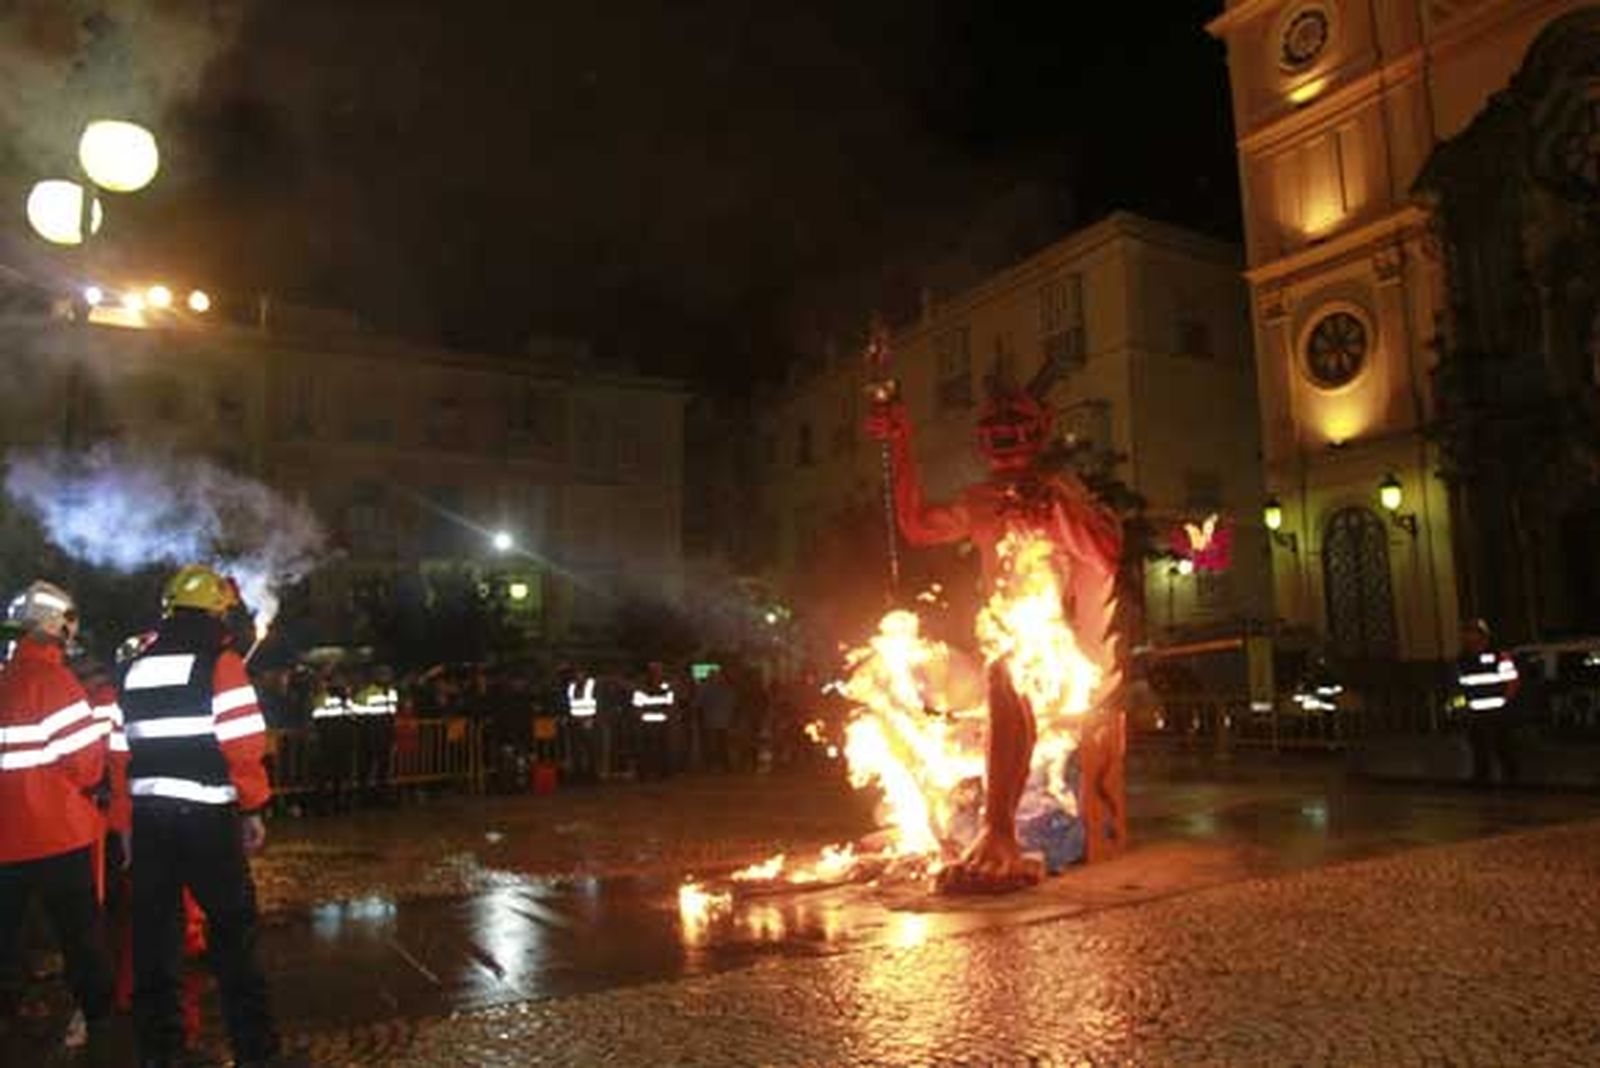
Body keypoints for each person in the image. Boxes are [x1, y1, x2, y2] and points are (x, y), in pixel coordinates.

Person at [867, 349, 1124, 889]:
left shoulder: (1062, 494)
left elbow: (1105, 551)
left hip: (1061, 651)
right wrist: (900, 443)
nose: (1005, 433)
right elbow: (916, 526)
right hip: (1005, 642)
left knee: (1007, 674)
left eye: (1017, 423)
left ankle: (1000, 831)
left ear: (1042, 428)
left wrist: (1051, 510)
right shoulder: (983, 499)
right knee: (903, 674)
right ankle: (937, 822)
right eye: (996, 424)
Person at [117, 564, 286, 1067]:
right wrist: (253, 807)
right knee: (234, 939)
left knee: (155, 939)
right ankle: (256, 1052)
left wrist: (125, 825)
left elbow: (119, 753)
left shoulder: (135, 663)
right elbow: (243, 744)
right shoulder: (221, 661)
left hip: (149, 820)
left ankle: (161, 1051)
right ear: (217, 609)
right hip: (208, 819)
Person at [0, 581, 116, 1051]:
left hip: (4, 840)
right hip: (57, 837)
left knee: (5, 939)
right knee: (80, 936)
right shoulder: (54, 681)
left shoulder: (4, 677)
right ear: (60, 627)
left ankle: (9, 1017)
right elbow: (87, 764)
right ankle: (97, 1021)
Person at [1456, 618, 1520, 786]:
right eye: (1466, 633)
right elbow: (1462, 687)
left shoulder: (1499, 656)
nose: (1469, 637)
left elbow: (1512, 682)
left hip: (1498, 711)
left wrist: (1506, 702)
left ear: (1483, 636)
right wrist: (1461, 706)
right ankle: (1481, 777)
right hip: (1476, 712)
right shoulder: (1463, 659)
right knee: (1478, 747)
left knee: (1503, 745)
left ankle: (1511, 777)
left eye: (1473, 633)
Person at [631, 662, 676, 780]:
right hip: (647, 724)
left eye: (658, 670)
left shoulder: (666, 686)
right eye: (654, 671)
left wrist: (669, 718)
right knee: (647, 749)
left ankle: (662, 772)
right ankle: (645, 773)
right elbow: (637, 706)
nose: (656, 673)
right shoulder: (642, 687)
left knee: (661, 748)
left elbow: (670, 705)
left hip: (660, 723)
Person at [695, 666, 736, 773]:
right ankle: (725, 765)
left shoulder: (704, 688)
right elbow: (732, 703)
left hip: (710, 720)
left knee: (711, 744)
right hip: (723, 720)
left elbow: (698, 703)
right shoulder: (726, 688)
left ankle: (711, 765)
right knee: (722, 744)